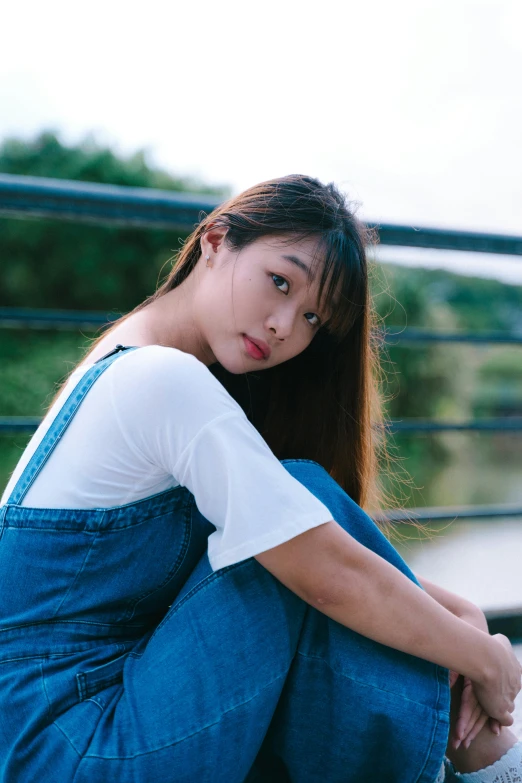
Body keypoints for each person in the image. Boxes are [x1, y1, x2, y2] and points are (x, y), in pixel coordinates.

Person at [0, 174, 520, 783]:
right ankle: (470, 760)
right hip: (70, 749)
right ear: (216, 240)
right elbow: (324, 569)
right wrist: (483, 659)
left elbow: (309, 550)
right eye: (279, 281)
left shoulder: (138, 359)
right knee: (304, 511)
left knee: (299, 525)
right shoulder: (161, 380)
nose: (283, 327)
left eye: (311, 319)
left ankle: (454, 754)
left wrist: (453, 609)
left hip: (74, 725)